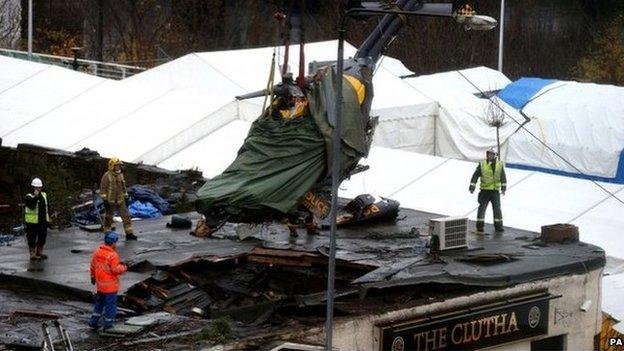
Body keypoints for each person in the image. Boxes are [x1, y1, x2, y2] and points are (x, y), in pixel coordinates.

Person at [88, 231, 127, 331]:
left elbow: (92, 266)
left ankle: (93, 322)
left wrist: (92, 277)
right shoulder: (113, 255)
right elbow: (115, 270)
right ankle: (108, 325)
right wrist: (124, 267)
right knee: (110, 306)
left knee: (99, 304)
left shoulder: (97, 252)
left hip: (100, 285)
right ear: (113, 243)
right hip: (110, 287)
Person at [469, 148, 507, 233]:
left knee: (497, 209)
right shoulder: (482, 164)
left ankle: (498, 226)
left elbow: (503, 177)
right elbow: (475, 175)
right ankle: (480, 226)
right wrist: (472, 186)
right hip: (484, 191)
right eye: (489, 154)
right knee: (482, 208)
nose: (490, 156)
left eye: (492, 154)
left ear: (495, 156)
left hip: (495, 191)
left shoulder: (499, 164)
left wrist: (503, 188)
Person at [100, 157, 137, 240]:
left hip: (120, 200)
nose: (118, 167)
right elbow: (103, 189)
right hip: (110, 201)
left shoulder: (120, 175)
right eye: (116, 166)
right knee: (108, 218)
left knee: (126, 216)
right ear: (112, 166)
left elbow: (123, 187)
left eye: (119, 166)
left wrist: (126, 197)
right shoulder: (107, 176)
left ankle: (129, 233)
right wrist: (105, 200)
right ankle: (107, 233)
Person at [24, 177, 50, 260]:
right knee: (32, 238)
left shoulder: (44, 195)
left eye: (39, 187)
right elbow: (31, 206)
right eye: (36, 187)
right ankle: (32, 253)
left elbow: (47, 206)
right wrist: (35, 197)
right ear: (33, 187)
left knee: (42, 237)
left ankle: (39, 252)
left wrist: (50, 216)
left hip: (43, 221)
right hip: (32, 222)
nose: (38, 189)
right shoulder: (29, 196)